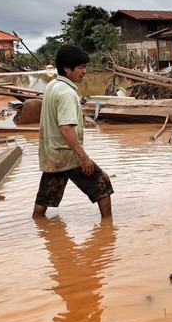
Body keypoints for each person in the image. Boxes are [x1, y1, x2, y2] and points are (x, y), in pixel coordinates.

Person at [33, 44, 113, 219]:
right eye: (80, 67)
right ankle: (108, 229)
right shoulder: (67, 93)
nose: (84, 71)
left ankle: (38, 227)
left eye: (85, 67)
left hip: (52, 154)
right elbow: (65, 128)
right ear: (67, 69)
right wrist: (83, 157)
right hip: (68, 155)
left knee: (45, 197)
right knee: (102, 184)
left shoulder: (52, 85)